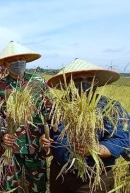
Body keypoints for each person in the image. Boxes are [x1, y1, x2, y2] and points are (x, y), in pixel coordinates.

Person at [42, 58, 130, 193]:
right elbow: (49, 137)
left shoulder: (111, 107)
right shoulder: (57, 107)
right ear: (68, 83)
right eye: (77, 80)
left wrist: (95, 149)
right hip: (60, 175)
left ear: (95, 82)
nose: (84, 83)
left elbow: (121, 140)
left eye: (89, 79)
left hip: (94, 178)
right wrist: (45, 142)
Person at [0, 41, 49, 193]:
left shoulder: (38, 82)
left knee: (38, 187)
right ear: (5, 63)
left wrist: (46, 134)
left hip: (36, 144)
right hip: (11, 146)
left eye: (21, 58)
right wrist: (3, 133)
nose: (18, 62)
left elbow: (48, 109)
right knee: (8, 187)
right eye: (13, 60)